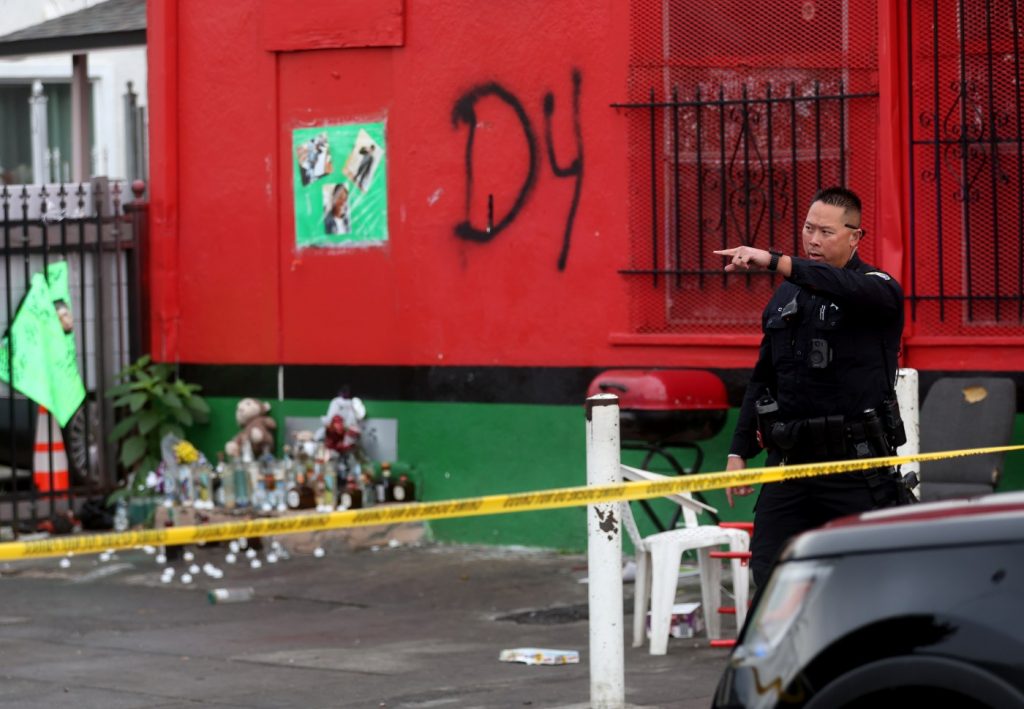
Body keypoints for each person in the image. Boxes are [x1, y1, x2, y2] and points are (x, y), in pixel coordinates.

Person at [714, 186, 908, 591]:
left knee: (867, 588)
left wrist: (772, 260)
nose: (814, 240)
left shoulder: (877, 288)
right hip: (789, 467)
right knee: (772, 583)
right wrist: (738, 452)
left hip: (855, 469)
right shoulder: (786, 297)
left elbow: (837, 284)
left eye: (826, 232)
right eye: (808, 228)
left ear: (855, 237)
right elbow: (764, 378)